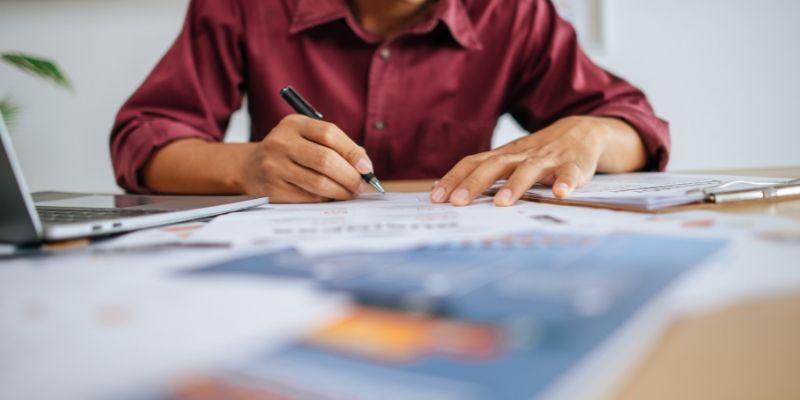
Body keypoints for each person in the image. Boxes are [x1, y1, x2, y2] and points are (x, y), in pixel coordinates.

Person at [110, 0, 669, 207]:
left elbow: (638, 127)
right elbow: (143, 139)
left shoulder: (513, 12)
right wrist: (248, 167)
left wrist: (590, 134)